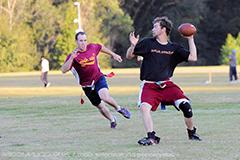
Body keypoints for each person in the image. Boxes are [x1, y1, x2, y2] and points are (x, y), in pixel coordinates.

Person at [126, 16, 201, 145]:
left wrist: (190, 38)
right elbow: (129, 56)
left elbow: (193, 57)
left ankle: (192, 133)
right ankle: (151, 137)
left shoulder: (174, 48)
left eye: (155, 26)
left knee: (186, 107)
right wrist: (133, 46)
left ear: (163, 29)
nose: (152, 29)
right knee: (144, 108)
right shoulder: (147, 43)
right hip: (149, 85)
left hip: (167, 85)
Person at [61, 31, 131, 128]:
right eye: (81, 41)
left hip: (98, 78)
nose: (83, 43)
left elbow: (101, 47)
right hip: (87, 86)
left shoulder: (92, 47)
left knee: (104, 96)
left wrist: (113, 54)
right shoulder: (73, 56)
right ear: (76, 42)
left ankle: (119, 109)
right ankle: (112, 119)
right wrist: (72, 58)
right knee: (100, 106)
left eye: (85, 40)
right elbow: (63, 70)